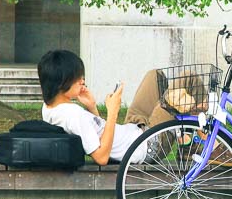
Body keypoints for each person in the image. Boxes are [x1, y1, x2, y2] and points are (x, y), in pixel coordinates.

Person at [38, 49, 175, 165]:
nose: (82, 81)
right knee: (187, 81)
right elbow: (102, 157)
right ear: (63, 82)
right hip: (148, 145)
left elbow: (97, 134)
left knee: (155, 75)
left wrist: (92, 108)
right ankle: (191, 145)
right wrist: (113, 112)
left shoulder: (49, 107)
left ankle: (185, 132)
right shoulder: (74, 115)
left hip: (133, 130)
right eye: (77, 78)